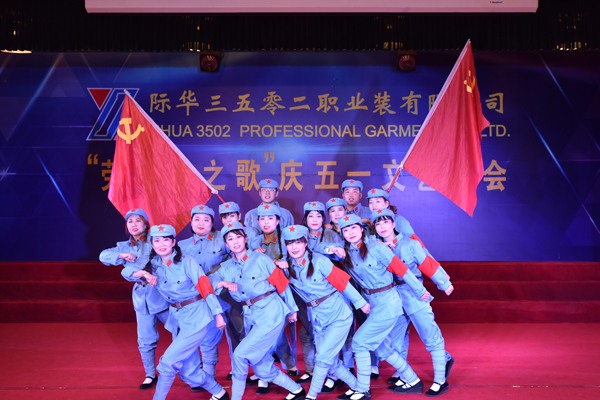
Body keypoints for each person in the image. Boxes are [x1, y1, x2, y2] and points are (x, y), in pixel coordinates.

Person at [330, 214, 431, 399]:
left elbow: (401, 270)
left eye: (354, 228)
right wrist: (332, 248)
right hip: (371, 303)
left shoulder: (376, 247)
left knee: (359, 342)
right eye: (345, 230)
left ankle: (362, 389)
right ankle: (413, 381)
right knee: (383, 348)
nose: (350, 232)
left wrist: (419, 290)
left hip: (387, 301)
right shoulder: (347, 251)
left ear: (362, 229)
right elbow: (318, 251)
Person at [209, 222, 306, 400]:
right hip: (249, 313)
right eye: (230, 239)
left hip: (270, 310)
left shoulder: (260, 259)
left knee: (239, 355)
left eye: (238, 237)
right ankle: (297, 391)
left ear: (246, 238)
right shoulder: (226, 267)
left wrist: (292, 309)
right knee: (261, 367)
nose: (235, 242)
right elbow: (209, 281)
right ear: (226, 244)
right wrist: (221, 283)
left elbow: (281, 283)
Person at [279, 225, 369, 400]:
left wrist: (361, 303)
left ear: (306, 242)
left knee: (321, 358)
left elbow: (342, 283)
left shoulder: (319, 261)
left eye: (298, 242)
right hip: (317, 317)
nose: (294, 247)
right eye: (290, 243)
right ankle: (359, 388)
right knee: (331, 362)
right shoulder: (288, 265)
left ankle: (311, 396)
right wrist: (277, 263)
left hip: (338, 315)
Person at [140, 224, 229, 400]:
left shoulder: (187, 261)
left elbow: (205, 287)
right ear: (152, 244)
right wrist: (141, 274)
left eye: (166, 240)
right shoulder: (153, 264)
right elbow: (126, 271)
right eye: (157, 241)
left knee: (167, 363)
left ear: (173, 242)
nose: (161, 244)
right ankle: (220, 394)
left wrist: (218, 315)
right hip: (177, 319)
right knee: (188, 373)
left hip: (196, 316)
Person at [371, 209, 454, 396]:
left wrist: (444, 283)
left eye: (386, 222)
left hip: (414, 293)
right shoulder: (375, 248)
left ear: (394, 224)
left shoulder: (410, 244)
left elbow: (427, 264)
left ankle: (440, 381)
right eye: (378, 224)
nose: (382, 227)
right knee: (395, 339)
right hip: (391, 296)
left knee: (429, 335)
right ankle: (405, 377)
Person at [99, 208, 168, 390]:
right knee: (145, 339)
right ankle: (150, 374)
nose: (134, 224)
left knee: (180, 333)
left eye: (138, 221)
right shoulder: (124, 246)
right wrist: (122, 255)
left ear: (146, 224)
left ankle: (191, 369)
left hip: (162, 294)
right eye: (130, 221)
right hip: (141, 297)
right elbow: (103, 256)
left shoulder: (155, 240)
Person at [249, 204, 299, 389]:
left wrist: (284, 262)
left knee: (277, 332)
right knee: (270, 333)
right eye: (262, 218)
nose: (266, 222)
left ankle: (284, 365)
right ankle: (270, 370)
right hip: (262, 294)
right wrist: (253, 255)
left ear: (278, 221)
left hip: (284, 290)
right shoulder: (254, 242)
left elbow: (298, 258)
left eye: (270, 218)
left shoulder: (286, 239)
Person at [179, 205, 229, 379]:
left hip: (216, 298)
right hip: (192, 301)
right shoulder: (181, 246)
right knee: (192, 340)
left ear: (212, 223)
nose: (201, 223)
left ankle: (209, 379)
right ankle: (195, 376)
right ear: (191, 222)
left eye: (206, 220)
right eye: (197, 219)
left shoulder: (223, 241)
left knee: (209, 340)